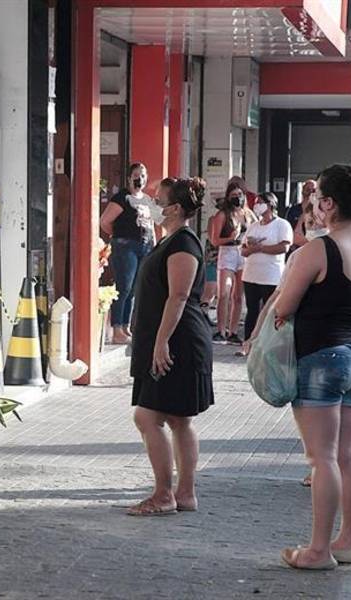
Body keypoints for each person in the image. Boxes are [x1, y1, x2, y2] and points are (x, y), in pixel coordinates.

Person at [270, 163, 351, 570]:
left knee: (321, 459)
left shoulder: (317, 250)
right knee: (349, 456)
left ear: (328, 203)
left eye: (318, 195)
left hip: (320, 359)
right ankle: (347, 543)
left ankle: (318, 551)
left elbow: (283, 306)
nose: (314, 203)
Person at [128, 177, 213, 516]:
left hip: (179, 341)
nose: (152, 203)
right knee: (178, 419)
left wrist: (161, 343)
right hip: (167, 338)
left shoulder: (184, 244)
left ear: (175, 208)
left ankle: (165, 494)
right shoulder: (172, 240)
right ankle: (184, 493)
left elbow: (178, 296)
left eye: (158, 198)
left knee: (148, 416)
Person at [100, 162, 160, 344]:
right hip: (126, 246)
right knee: (124, 286)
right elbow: (105, 221)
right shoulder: (122, 198)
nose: (139, 179)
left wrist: (154, 245)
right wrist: (119, 235)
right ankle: (116, 327)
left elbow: (152, 224)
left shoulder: (147, 200)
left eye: (142, 175)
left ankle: (125, 326)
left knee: (134, 289)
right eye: (136, 175)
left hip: (145, 245)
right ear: (128, 178)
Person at [240, 192, 293, 346]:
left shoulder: (282, 224)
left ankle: (269, 343)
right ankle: (248, 343)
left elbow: (284, 247)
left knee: (271, 311)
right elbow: (243, 250)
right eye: (256, 202)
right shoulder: (253, 226)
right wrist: (251, 248)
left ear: (270, 204)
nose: (257, 205)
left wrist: (261, 248)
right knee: (252, 311)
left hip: (271, 275)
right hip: (251, 274)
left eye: (260, 202)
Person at [210, 184, 254, 344]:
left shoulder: (248, 214)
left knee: (238, 295)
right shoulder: (223, 215)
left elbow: (256, 229)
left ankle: (233, 331)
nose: (238, 197)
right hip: (227, 252)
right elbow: (214, 240)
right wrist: (230, 237)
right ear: (228, 197)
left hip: (243, 253)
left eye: (240, 194)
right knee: (224, 293)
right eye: (234, 194)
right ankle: (221, 330)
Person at [286, 180, 315, 255]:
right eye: (308, 189)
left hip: (312, 247)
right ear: (302, 190)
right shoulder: (293, 210)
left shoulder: (319, 210)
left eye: (313, 190)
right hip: (295, 249)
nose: (310, 192)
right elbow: (288, 228)